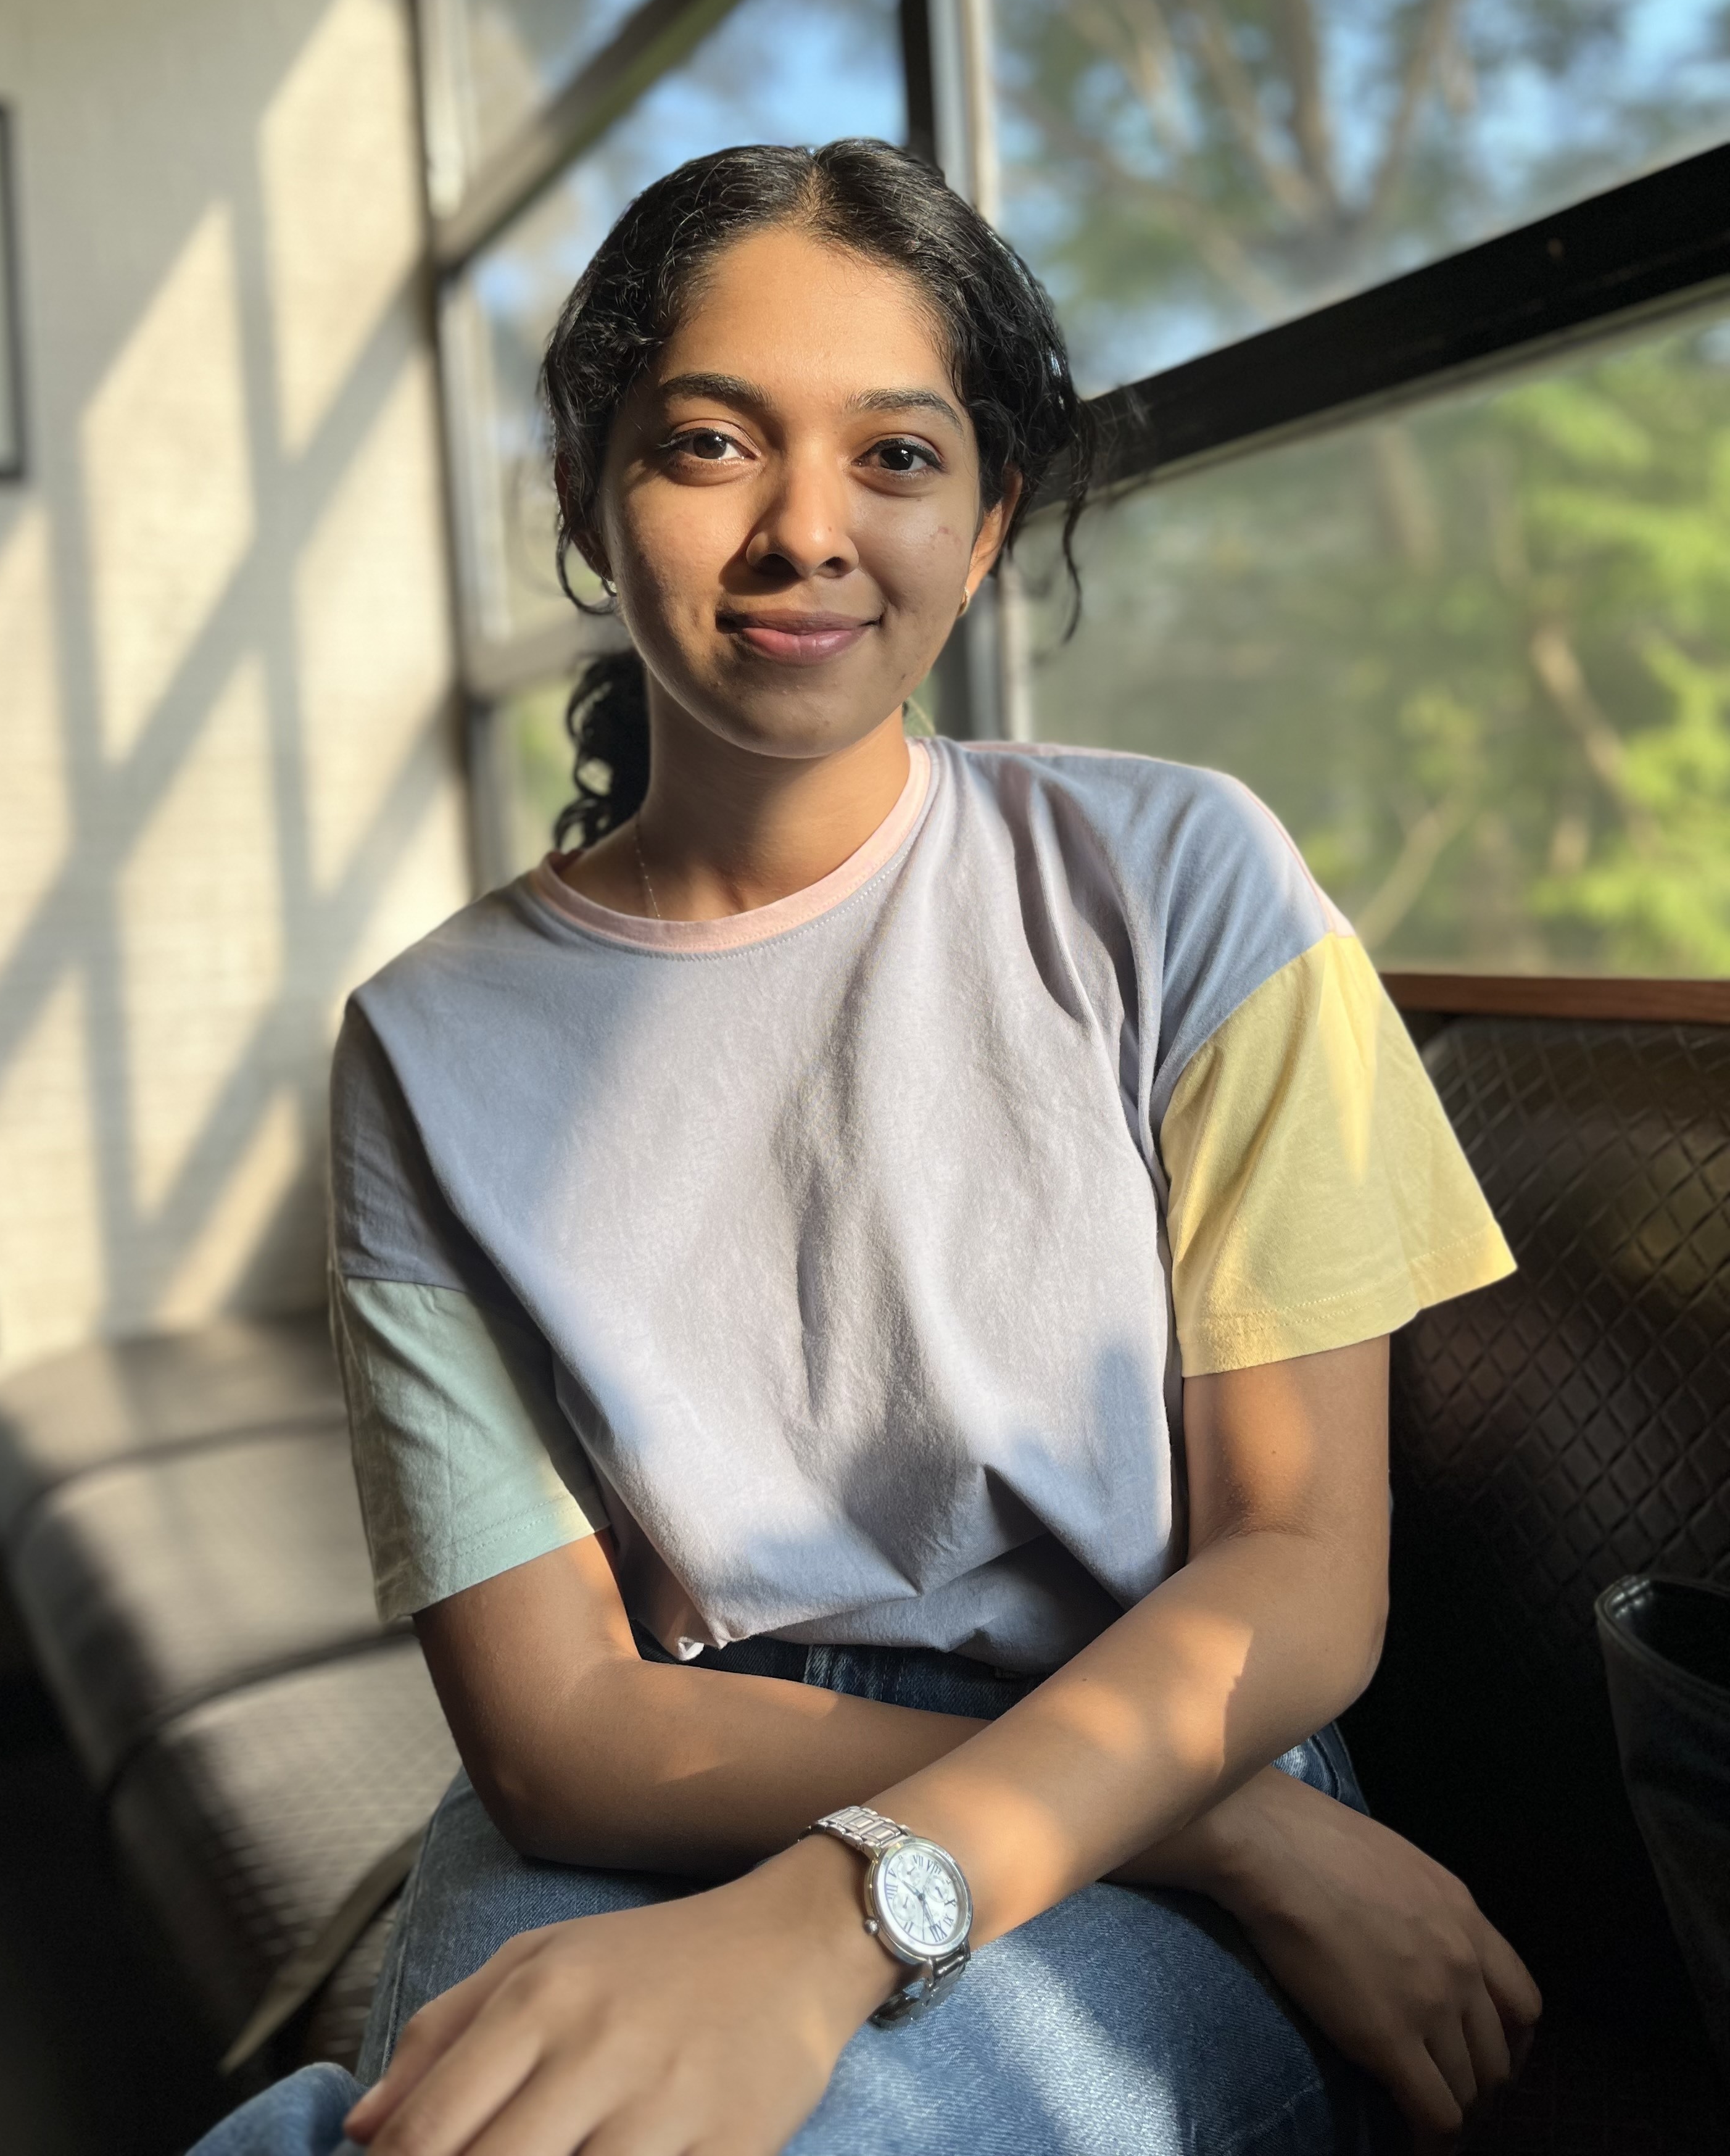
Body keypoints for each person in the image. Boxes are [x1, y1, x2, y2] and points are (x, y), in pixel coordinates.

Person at [194, 139, 1538, 2156]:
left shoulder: (1181, 883)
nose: (806, 532)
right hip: (677, 1777)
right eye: (711, 444)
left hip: (1136, 1730)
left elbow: (1299, 1567)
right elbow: (558, 1727)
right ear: (584, 494)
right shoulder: (422, 1045)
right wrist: (1239, 1841)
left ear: (987, 524)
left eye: (897, 457)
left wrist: (849, 1915)